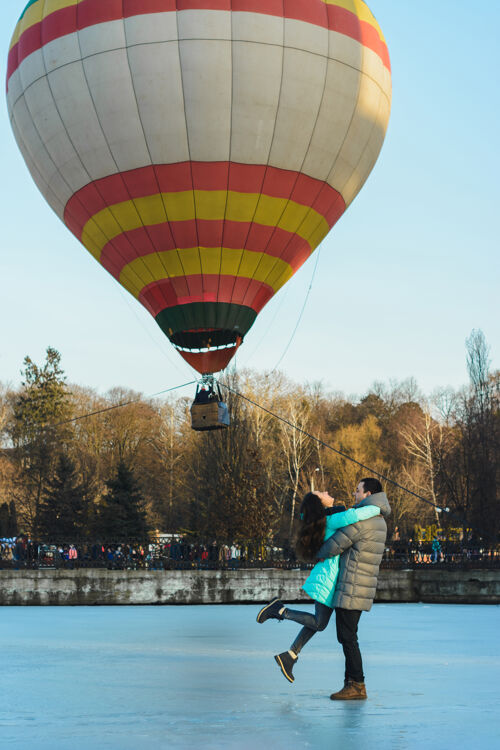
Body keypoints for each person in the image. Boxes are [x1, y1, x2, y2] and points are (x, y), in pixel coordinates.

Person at [256, 490, 381, 685]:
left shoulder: (327, 518)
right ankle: (279, 610)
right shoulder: (331, 519)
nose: (327, 491)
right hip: (328, 579)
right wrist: (377, 507)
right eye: (321, 493)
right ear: (320, 504)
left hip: (329, 577)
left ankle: (290, 655)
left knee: (317, 622)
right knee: (319, 623)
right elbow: (354, 515)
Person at [316, 477, 390, 701]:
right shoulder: (377, 519)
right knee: (348, 636)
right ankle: (352, 683)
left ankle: (357, 684)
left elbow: (334, 544)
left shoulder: (362, 522)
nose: (354, 494)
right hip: (361, 587)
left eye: (357, 491)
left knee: (348, 637)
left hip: (352, 587)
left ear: (367, 495)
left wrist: (316, 550)